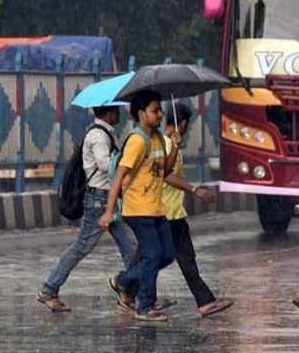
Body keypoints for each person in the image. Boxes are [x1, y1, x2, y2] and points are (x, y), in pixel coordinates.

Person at [36, 105, 137, 312]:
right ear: (108, 113)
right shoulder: (99, 136)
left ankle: (132, 292)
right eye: (116, 110)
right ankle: (49, 289)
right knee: (82, 246)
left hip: (107, 200)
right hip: (99, 200)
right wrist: (126, 160)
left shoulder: (104, 133)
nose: (119, 113)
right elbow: (103, 164)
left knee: (131, 248)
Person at [102, 89, 180, 322]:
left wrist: (174, 146)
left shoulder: (156, 138)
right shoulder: (137, 141)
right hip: (137, 209)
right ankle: (145, 306)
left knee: (166, 254)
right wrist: (108, 211)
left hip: (156, 208)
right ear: (141, 113)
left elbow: (164, 171)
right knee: (153, 255)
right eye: (155, 110)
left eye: (160, 110)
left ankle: (124, 281)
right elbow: (119, 176)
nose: (160, 114)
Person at [162, 103, 233, 317]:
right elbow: (165, 174)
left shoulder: (170, 144)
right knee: (178, 257)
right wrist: (195, 190)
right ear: (182, 123)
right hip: (169, 211)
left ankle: (129, 288)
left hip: (172, 210)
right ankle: (125, 283)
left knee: (169, 256)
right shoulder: (166, 144)